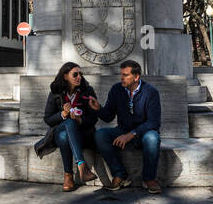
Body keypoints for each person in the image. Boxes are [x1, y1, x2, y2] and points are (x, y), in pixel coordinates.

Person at [95, 59, 164, 194]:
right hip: (122, 130)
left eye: (126, 75)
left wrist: (131, 134)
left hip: (144, 133)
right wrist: (98, 109)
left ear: (136, 77)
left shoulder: (150, 92)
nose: (122, 78)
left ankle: (149, 179)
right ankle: (120, 175)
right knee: (100, 135)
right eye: (121, 74)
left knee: (152, 138)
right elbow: (108, 116)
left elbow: (153, 122)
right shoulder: (117, 89)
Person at [37, 62, 101, 191]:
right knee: (67, 126)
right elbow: (48, 119)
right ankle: (82, 166)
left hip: (81, 134)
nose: (79, 77)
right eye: (75, 74)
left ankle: (68, 176)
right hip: (58, 130)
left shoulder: (87, 91)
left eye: (80, 74)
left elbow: (93, 118)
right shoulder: (56, 92)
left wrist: (80, 120)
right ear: (65, 76)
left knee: (64, 137)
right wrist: (63, 114)